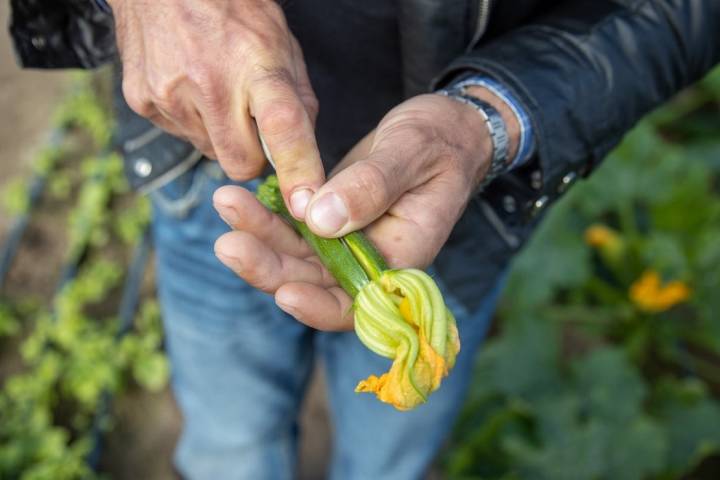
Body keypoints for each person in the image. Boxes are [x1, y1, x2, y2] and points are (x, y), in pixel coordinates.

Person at [10, 0, 720, 478]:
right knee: (230, 447)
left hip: (456, 206)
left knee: (390, 461)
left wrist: (491, 120)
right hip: (209, 158)